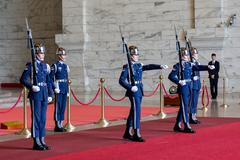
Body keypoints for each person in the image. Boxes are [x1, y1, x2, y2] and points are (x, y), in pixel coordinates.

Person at [119, 45, 168, 142]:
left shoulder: (138, 65)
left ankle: (128, 132)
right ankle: (136, 132)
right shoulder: (127, 67)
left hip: (139, 90)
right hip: (133, 91)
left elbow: (148, 66)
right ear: (131, 56)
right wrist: (130, 87)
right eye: (135, 54)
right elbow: (121, 80)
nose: (137, 56)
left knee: (133, 111)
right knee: (137, 111)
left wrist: (160, 66)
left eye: (137, 54)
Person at [20, 43, 53, 150]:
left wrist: (50, 94)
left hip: (43, 94)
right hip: (36, 94)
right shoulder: (30, 66)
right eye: (40, 52)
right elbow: (23, 79)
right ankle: (36, 141)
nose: (42, 55)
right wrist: (31, 86)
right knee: (36, 118)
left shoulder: (45, 66)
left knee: (43, 119)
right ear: (36, 54)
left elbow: (48, 81)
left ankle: (42, 139)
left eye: (43, 52)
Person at [189, 48, 215, 124]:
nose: (197, 55)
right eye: (196, 54)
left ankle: (194, 116)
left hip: (197, 85)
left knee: (196, 102)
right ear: (193, 55)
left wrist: (199, 86)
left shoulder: (197, 63)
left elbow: (198, 75)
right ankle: (191, 117)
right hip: (192, 85)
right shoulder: (190, 64)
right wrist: (208, 67)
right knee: (193, 102)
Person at [50, 47, 69, 132]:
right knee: (58, 106)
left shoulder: (65, 66)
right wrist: (54, 88)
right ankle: (57, 125)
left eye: (65, 54)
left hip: (64, 88)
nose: (64, 56)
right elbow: (50, 78)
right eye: (63, 54)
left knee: (63, 107)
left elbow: (67, 79)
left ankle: (61, 123)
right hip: (58, 88)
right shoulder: (55, 66)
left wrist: (67, 91)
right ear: (59, 56)